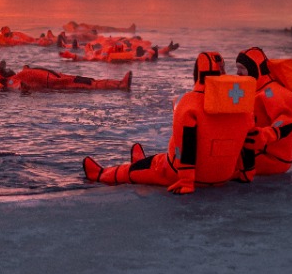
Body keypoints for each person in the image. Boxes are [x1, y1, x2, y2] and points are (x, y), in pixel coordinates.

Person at [82, 51, 255, 193]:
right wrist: (247, 172)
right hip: (223, 176)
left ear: (197, 73)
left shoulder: (190, 102)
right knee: (150, 161)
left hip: (181, 174)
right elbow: (250, 139)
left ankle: (100, 174)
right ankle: (141, 161)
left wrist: (186, 180)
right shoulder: (241, 103)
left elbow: (185, 143)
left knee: (134, 171)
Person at [236, 46, 292, 175]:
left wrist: (266, 134)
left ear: (255, 68)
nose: (238, 73)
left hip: (273, 158)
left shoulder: (272, 91)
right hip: (257, 151)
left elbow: (286, 119)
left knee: (221, 160)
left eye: (242, 68)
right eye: (237, 68)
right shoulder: (254, 90)